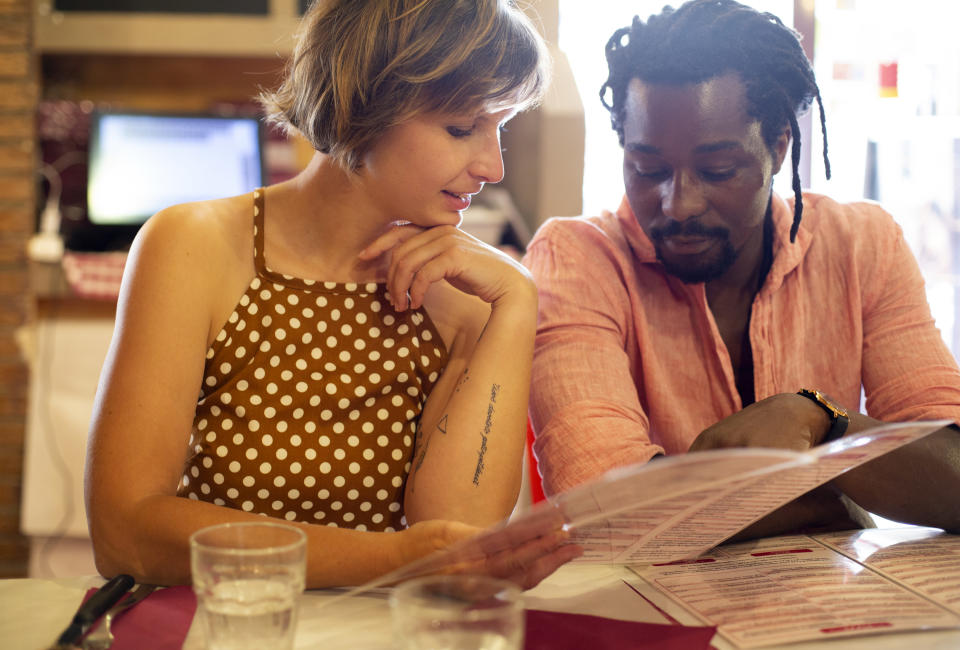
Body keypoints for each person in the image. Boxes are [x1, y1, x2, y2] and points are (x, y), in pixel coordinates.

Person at [85, 0, 581, 589]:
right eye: (461, 127)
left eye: (500, 127)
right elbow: (124, 532)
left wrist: (516, 302)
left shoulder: (466, 292)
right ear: (363, 102)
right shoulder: (194, 246)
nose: (493, 166)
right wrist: (395, 562)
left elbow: (457, 542)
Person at [524, 0, 960, 538]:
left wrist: (821, 421)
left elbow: (953, 469)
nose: (678, 203)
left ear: (778, 147)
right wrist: (838, 492)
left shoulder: (861, 244)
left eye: (717, 170)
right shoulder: (576, 259)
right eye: (647, 169)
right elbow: (605, 505)